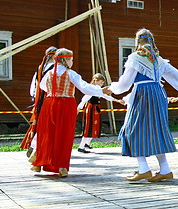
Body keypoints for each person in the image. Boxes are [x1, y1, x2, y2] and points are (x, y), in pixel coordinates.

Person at [107, 28, 178, 182]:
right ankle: (165, 169)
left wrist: (112, 89)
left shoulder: (135, 58)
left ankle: (144, 168)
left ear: (137, 41)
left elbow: (125, 83)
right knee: (156, 131)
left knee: (132, 129)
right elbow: (176, 77)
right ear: (151, 41)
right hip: (159, 94)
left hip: (143, 95)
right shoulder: (159, 60)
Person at [31, 48, 109, 177]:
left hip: (49, 103)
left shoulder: (49, 73)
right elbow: (84, 87)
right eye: (71, 59)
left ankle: (38, 163)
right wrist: (101, 91)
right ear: (66, 60)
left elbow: (42, 86)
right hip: (66, 104)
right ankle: (62, 167)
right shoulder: (70, 74)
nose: (72, 62)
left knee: (47, 133)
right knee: (64, 135)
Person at [21, 46, 57, 162]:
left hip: (39, 98)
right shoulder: (54, 68)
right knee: (47, 124)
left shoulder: (40, 67)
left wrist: (34, 96)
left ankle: (34, 145)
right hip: (48, 98)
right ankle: (38, 147)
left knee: (39, 122)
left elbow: (34, 83)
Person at [77, 73, 124, 153]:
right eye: (101, 82)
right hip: (91, 108)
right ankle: (81, 146)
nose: (102, 84)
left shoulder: (99, 90)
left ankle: (87, 143)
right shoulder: (92, 89)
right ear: (96, 81)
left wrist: (117, 101)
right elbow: (85, 99)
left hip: (95, 109)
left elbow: (106, 97)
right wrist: (78, 108)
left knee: (95, 126)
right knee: (89, 127)